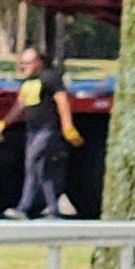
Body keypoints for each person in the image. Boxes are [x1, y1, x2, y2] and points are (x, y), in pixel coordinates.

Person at [9, 52, 81, 217]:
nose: (23, 66)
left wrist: (68, 126)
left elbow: (62, 101)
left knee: (32, 162)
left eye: (27, 63)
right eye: (22, 63)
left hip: (47, 129)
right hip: (32, 131)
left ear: (38, 63)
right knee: (42, 171)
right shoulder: (27, 82)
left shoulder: (50, 78)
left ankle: (23, 208)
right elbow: (19, 104)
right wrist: (4, 123)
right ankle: (54, 210)